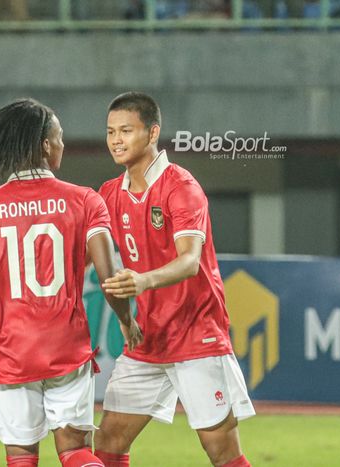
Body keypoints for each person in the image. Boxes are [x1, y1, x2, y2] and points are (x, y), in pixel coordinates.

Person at [0, 98, 142, 467]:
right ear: (46, 145)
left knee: (21, 458)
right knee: (76, 452)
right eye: (59, 137)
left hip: (15, 353)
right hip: (68, 347)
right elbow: (110, 277)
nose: (63, 144)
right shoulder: (86, 201)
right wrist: (126, 321)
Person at [93, 92, 255, 467]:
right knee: (109, 441)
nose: (116, 140)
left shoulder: (180, 186)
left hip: (196, 333)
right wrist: (125, 317)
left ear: (152, 134)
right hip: (148, 338)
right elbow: (86, 257)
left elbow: (189, 262)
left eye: (126, 131)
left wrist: (143, 282)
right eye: (111, 131)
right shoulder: (109, 194)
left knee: (221, 450)